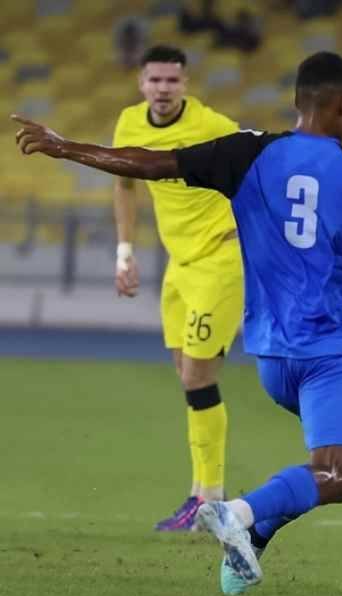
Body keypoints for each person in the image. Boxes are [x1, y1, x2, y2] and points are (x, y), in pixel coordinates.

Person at [13, 51, 342, 596]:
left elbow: (149, 163)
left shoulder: (247, 152)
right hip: (328, 353)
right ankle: (237, 514)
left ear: (298, 102)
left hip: (270, 354)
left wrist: (66, 146)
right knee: (336, 475)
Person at [112, 45, 242, 531]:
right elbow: (123, 184)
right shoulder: (128, 124)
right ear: (141, 83)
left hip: (220, 258)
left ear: (186, 84)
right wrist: (125, 252)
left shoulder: (213, 126)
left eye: (172, 81)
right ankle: (206, 495)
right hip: (178, 264)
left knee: (196, 377)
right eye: (155, 80)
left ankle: (208, 502)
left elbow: (256, 169)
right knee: (187, 377)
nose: (163, 89)